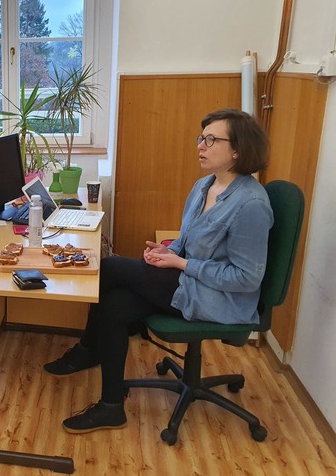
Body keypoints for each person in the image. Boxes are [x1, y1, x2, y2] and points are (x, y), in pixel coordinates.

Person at [44, 108, 273, 433]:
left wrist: (181, 263)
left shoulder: (251, 205)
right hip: (187, 279)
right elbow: (187, 239)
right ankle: (111, 406)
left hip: (220, 299)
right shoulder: (204, 186)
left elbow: (246, 278)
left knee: (110, 267)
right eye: (201, 137)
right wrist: (170, 251)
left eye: (211, 140)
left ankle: (88, 350)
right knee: (114, 305)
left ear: (237, 149)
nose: (201, 145)